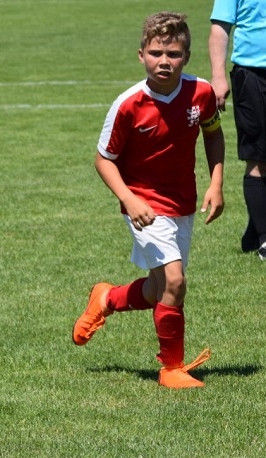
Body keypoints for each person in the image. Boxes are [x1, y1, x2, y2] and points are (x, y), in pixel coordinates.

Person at [73, 12, 224, 390]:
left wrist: (217, 182)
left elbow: (213, 134)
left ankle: (106, 298)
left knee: (159, 290)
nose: (164, 61)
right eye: (156, 52)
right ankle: (171, 368)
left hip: (183, 204)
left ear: (186, 56)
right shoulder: (128, 104)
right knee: (175, 281)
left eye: (173, 53)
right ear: (141, 55)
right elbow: (103, 159)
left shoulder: (201, 93)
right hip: (144, 206)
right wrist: (129, 198)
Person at [209, 0, 266, 261]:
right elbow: (220, 28)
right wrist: (218, 76)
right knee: (259, 159)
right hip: (254, 76)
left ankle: (257, 227)